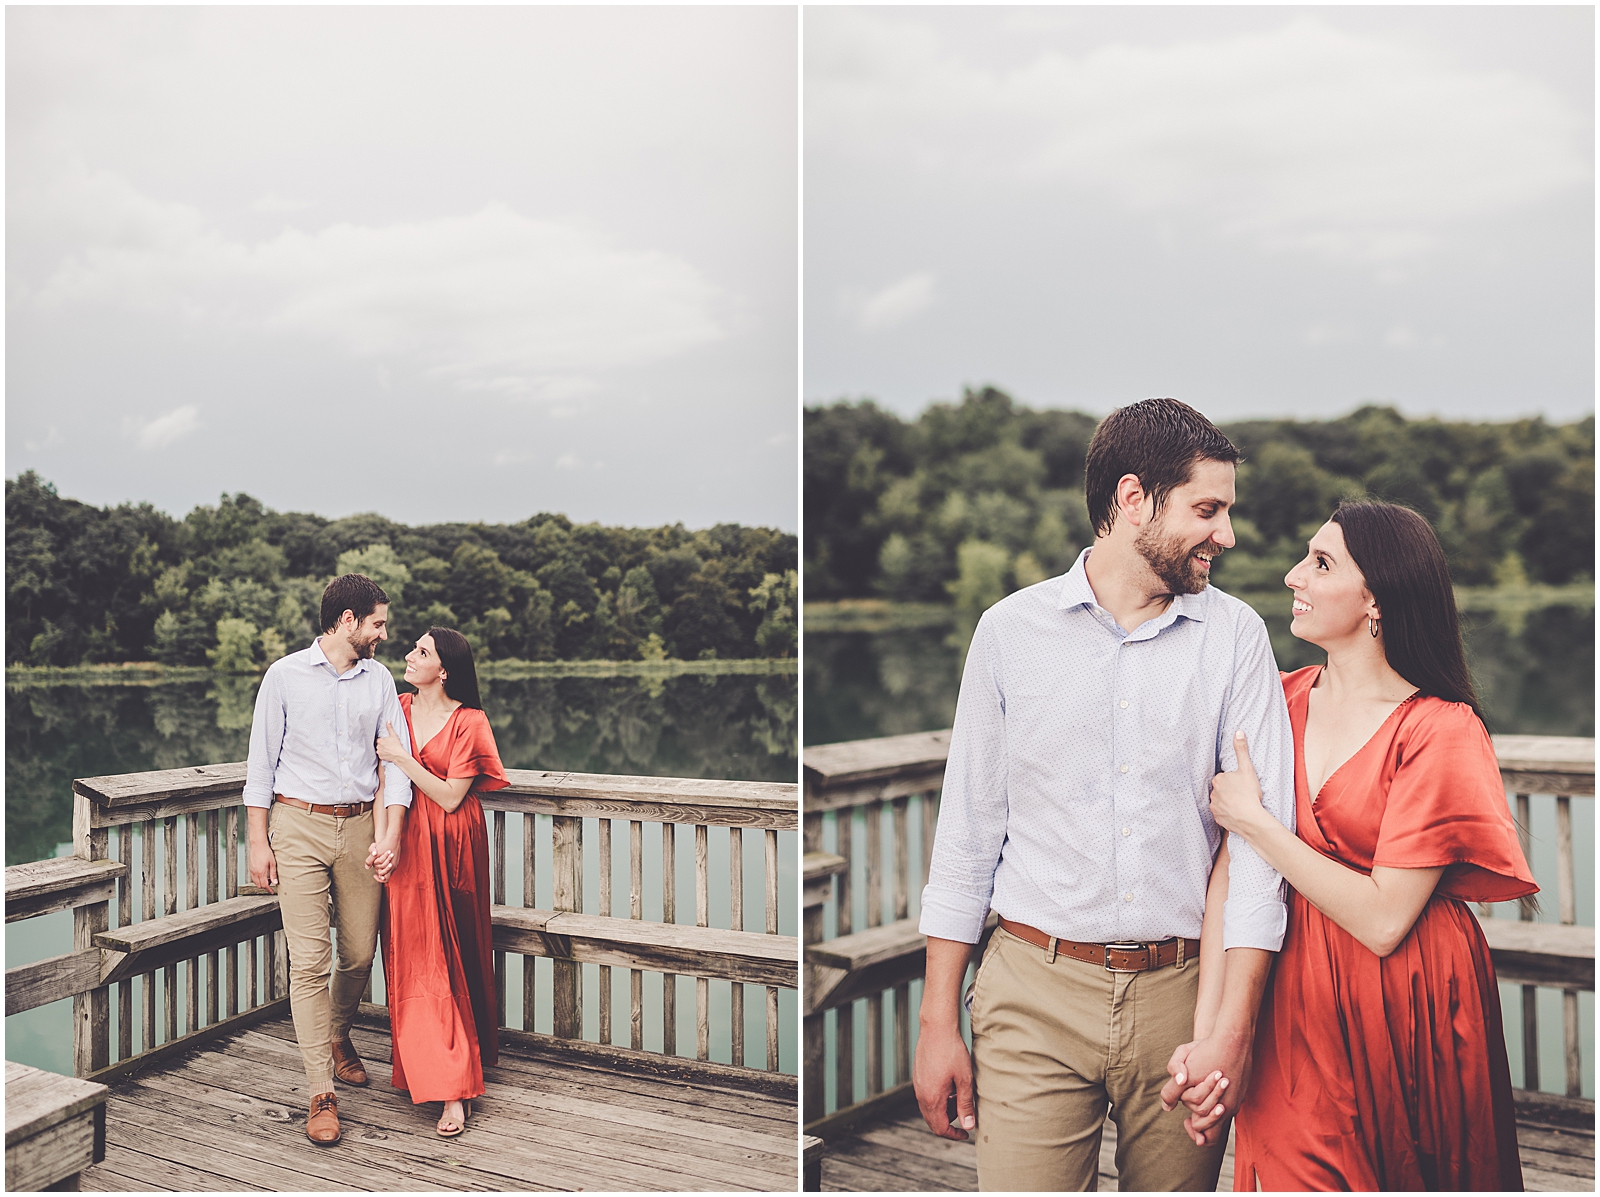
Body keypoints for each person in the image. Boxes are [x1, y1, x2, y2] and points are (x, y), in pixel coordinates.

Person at [912, 397, 1295, 1191]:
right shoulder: (1008, 633)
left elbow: (1260, 852)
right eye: (1207, 509)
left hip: (1186, 993)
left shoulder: (1236, 638)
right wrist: (936, 1022)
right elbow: (969, 833)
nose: (1226, 534)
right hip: (1032, 990)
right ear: (1131, 499)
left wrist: (1231, 1030)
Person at [1177, 501, 1536, 1190]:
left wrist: (1258, 824)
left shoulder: (1440, 729)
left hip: (1410, 997)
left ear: (1375, 596)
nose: (1291, 576)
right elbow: (1230, 874)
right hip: (1288, 993)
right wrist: (1213, 1035)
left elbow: (1382, 919)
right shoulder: (1275, 700)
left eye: (1320, 563)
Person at [245, 573, 414, 1147]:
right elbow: (261, 764)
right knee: (310, 961)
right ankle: (321, 1090)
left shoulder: (380, 680)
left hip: (362, 826)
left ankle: (337, 1033)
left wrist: (389, 833)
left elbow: (396, 762)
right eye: (377, 623)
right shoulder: (285, 675)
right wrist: (258, 840)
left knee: (362, 951)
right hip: (297, 826)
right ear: (348, 620)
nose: (384, 633)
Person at [371, 626, 506, 1138]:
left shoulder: (470, 721)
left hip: (453, 845)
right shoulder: (398, 707)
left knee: (452, 954)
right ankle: (429, 1068)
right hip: (408, 841)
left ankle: (455, 1087)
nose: (408, 654)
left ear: (444, 670)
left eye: (421, 651)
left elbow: (452, 796)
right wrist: (385, 841)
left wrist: (403, 758)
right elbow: (386, 783)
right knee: (414, 956)